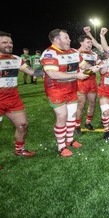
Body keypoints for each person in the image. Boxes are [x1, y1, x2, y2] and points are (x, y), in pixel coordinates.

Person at [40, 29, 98, 157]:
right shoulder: (49, 53)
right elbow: (52, 73)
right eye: (66, 38)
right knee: (62, 116)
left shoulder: (73, 52)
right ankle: (61, 147)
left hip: (72, 89)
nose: (70, 40)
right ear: (57, 40)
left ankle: (70, 140)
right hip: (56, 89)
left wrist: (95, 67)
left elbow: (84, 65)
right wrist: (77, 74)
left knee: (72, 115)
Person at [0, 31, 40, 169]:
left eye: (10, 42)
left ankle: (19, 150)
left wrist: (49, 71)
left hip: (13, 99)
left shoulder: (17, 59)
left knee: (23, 125)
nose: (9, 45)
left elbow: (32, 72)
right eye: (5, 42)